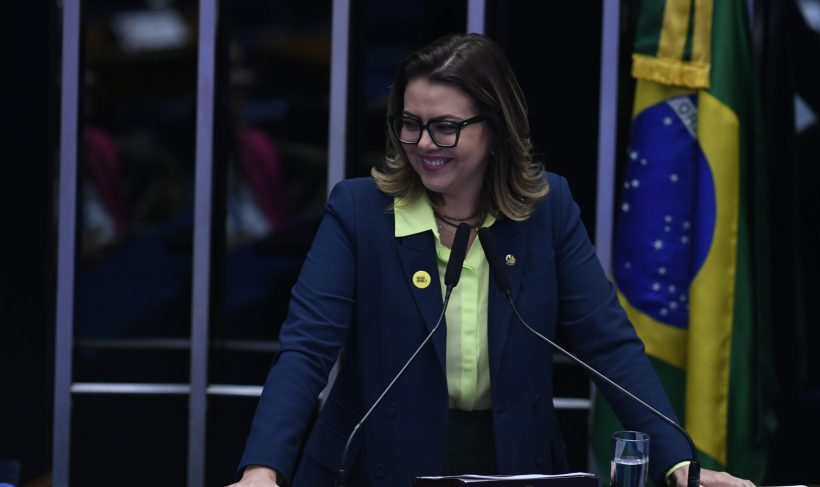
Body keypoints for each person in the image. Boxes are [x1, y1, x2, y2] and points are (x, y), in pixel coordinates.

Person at [230, 33, 754, 487]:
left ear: (497, 128)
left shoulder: (548, 210)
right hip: (376, 463)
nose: (423, 144)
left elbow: (608, 344)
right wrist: (262, 468)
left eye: (446, 127)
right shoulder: (359, 211)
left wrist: (677, 460)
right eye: (410, 123)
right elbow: (305, 348)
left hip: (513, 463)